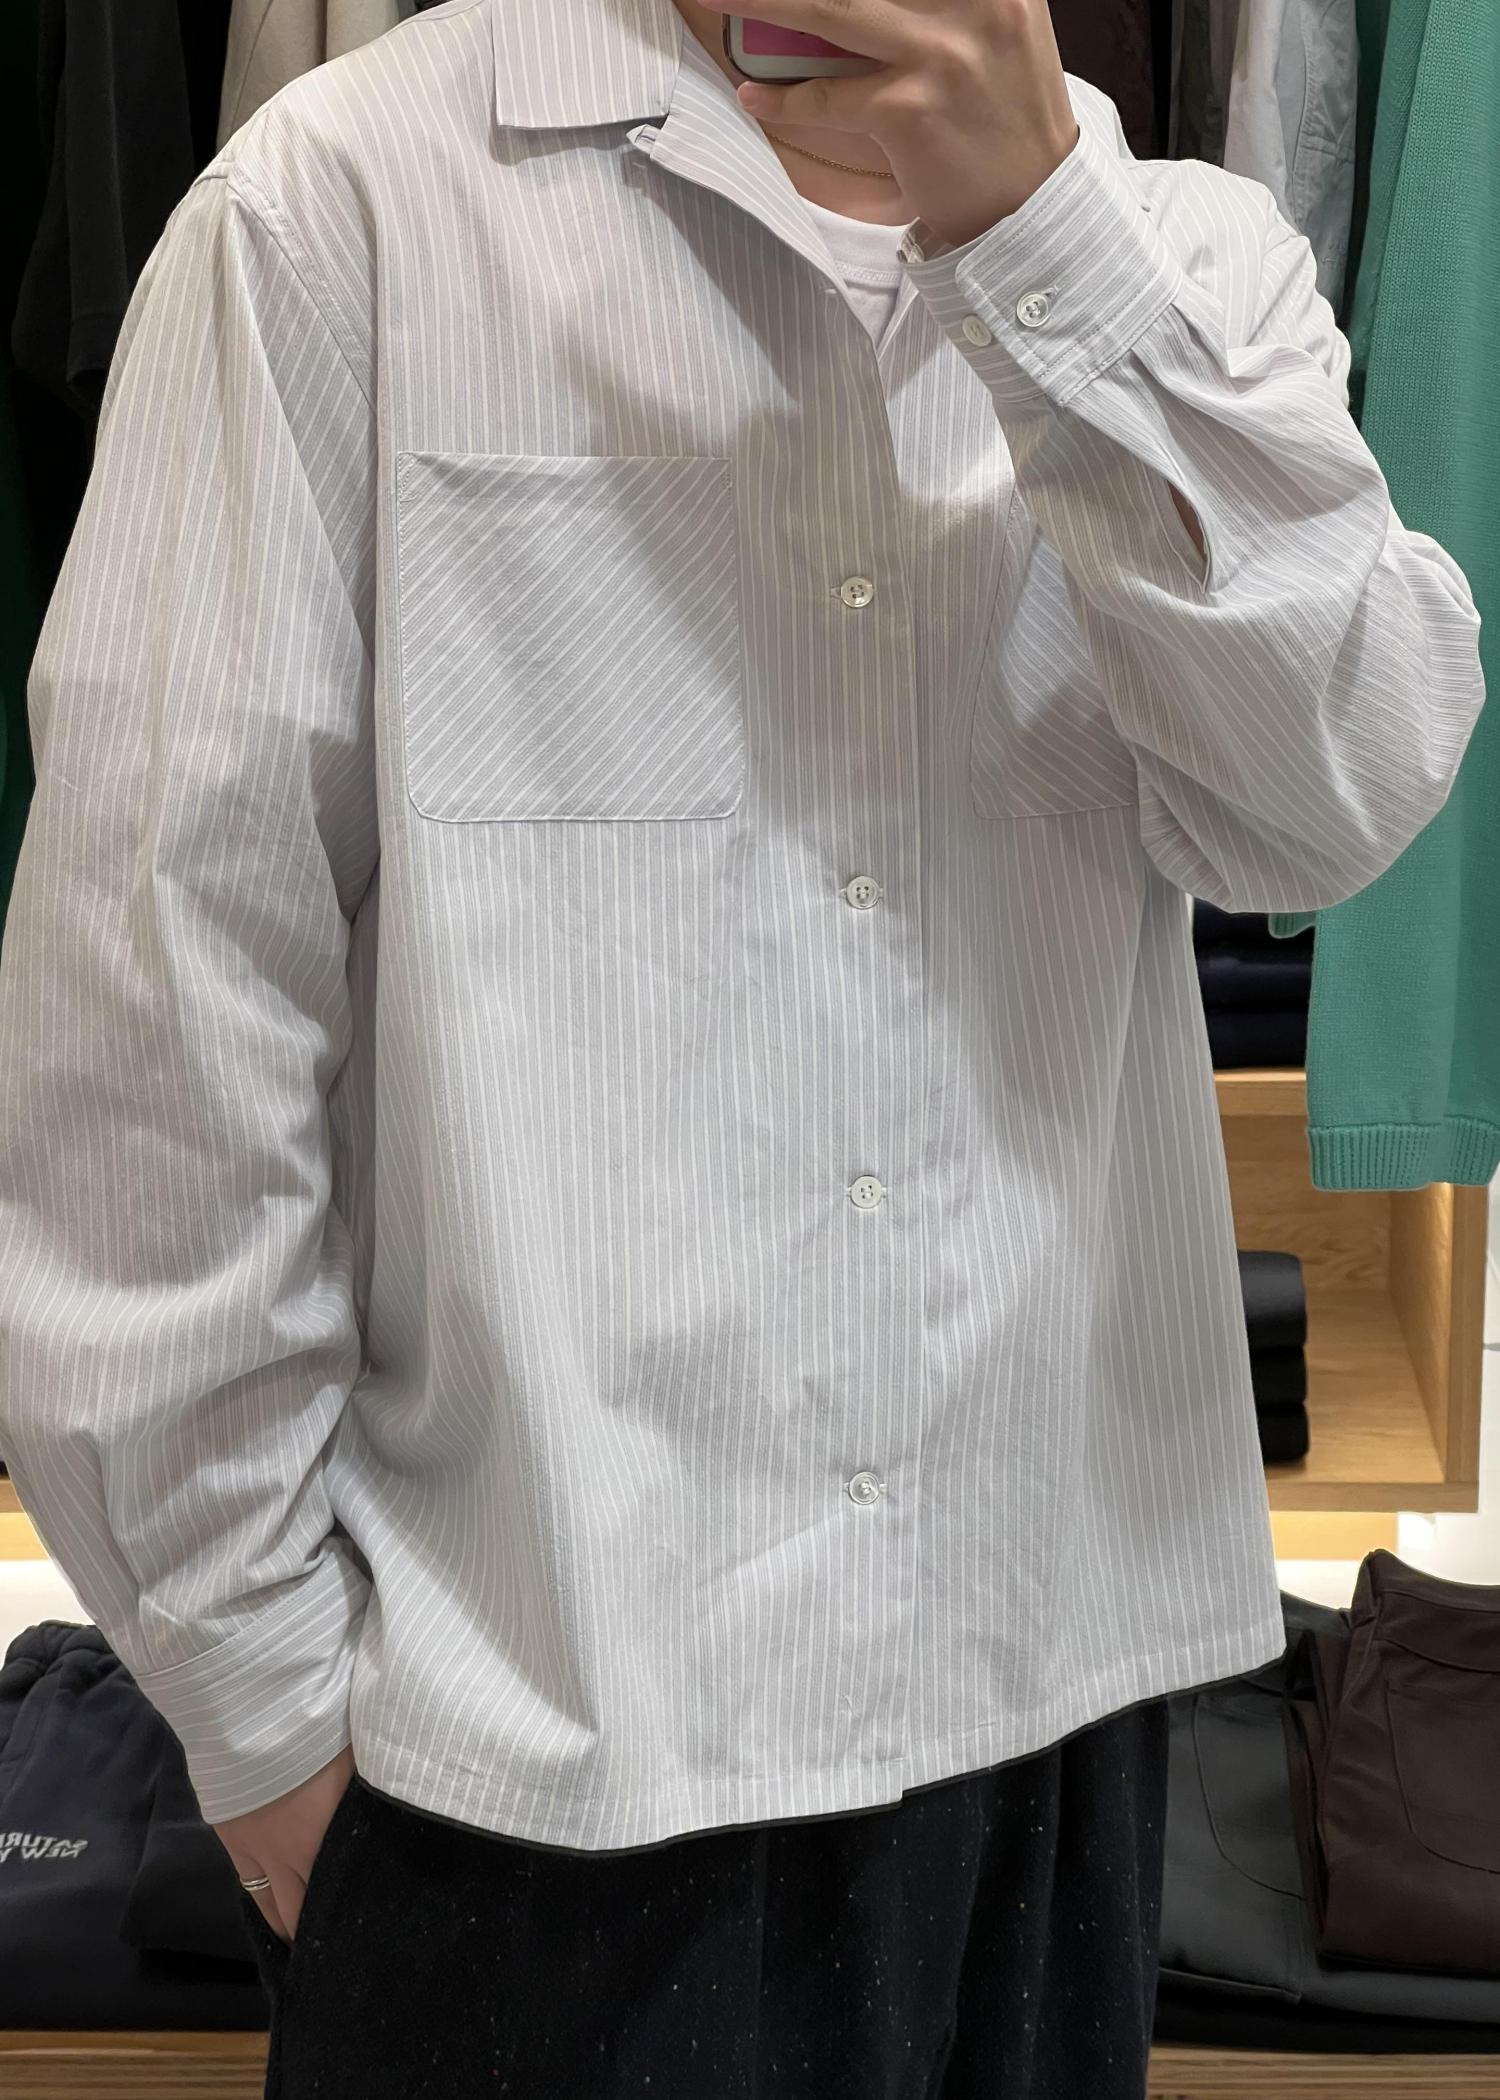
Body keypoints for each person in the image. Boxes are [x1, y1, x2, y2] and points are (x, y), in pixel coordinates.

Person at [0, 0, 1483, 2094]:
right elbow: (156, 1021)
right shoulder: (341, 217)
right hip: (521, 1762)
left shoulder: (1185, 260)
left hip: (1049, 1713)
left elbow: (1331, 807)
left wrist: (1042, 246)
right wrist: (259, 1710)